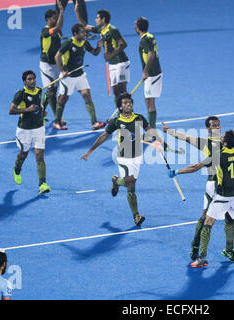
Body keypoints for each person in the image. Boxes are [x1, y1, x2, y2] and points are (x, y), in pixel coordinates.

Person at [163, 116, 234, 262]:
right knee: (211, 216)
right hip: (217, 185)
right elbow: (185, 137)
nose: (217, 127)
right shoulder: (206, 143)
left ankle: (224, 250)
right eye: (213, 125)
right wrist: (169, 131)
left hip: (223, 187)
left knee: (221, 218)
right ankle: (196, 245)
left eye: (218, 125)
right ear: (208, 129)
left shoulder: (225, 140)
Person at [81, 92, 165, 227]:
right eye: (125, 103)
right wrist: (90, 151)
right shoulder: (116, 121)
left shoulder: (139, 118)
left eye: (130, 102)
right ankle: (136, 215)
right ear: (120, 107)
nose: (128, 105)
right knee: (131, 184)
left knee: (130, 183)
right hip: (123, 157)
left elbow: (150, 131)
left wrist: (161, 142)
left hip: (137, 156)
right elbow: (103, 136)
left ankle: (116, 181)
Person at [54, 23, 106, 131]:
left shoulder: (84, 43)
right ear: (75, 34)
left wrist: (99, 46)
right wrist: (62, 71)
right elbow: (57, 56)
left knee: (87, 95)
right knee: (63, 99)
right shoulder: (68, 43)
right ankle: (57, 122)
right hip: (68, 77)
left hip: (80, 75)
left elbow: (95, 53)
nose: (85, 33)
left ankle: (94, 122)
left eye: (85, 31)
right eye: (82, 32)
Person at [80, 10, 130, 117]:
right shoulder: (100, 29)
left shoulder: (113, 30)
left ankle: (128, 114)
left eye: (98, 17)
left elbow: (123, 44)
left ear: (103, 19)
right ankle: (121, 114)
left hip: (121, 63)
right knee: (116, 92)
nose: (96, 19)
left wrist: (111, 54)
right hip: (112, 64)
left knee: (122, 91)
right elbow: (87, 27)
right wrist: (77, 15)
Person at [9, 70, 51, 194]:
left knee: (39, 155)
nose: (32, 81)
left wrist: (43, 111)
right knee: (24, 154)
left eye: (34, 78)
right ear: (24, 81)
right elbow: (11, 111)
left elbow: (39, 106)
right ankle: (17, 169)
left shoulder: (39, 91)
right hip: (24, 130)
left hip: (38, 128)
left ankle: (42, 184)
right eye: (29, 79)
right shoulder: (20, 95)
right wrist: (28, 109)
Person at [134, 17, 163, 131]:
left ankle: (152, 130)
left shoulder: (144, 40)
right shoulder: (150, 36)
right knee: (149, 100)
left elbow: (151, 54)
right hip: (155, 72)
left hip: (152, 74)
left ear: (138, 28)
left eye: (135, 25)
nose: (134, 27)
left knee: (149, 101)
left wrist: (145, 72)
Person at [40, 0, 64, 124]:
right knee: (50, 91)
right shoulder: (45, 31)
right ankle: (57, 118)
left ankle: (41, 110)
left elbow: (59, 28)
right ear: (48, 19)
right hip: (46, 65)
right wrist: (62, 12)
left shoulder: (58, 32)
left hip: (55, 64)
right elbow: (58, 27)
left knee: (52, 91)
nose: (55, 19)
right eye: (54, 18)